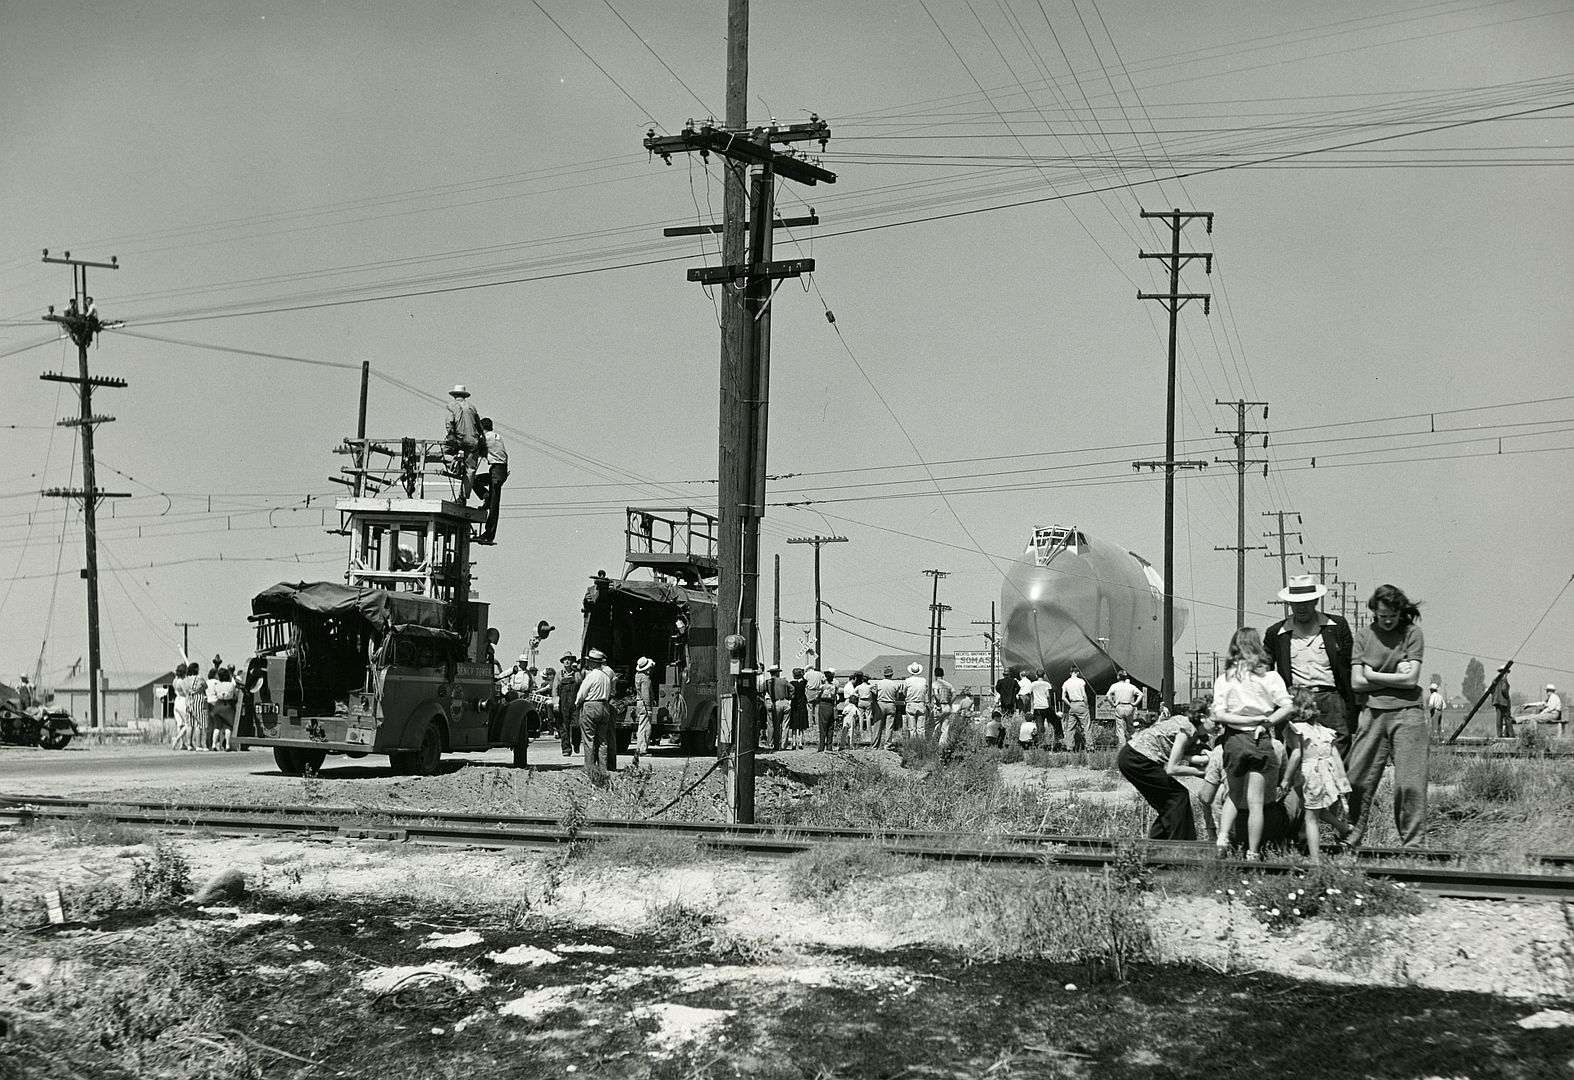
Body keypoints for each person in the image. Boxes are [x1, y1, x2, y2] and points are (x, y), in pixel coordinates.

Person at [1345, 584, 1428, 849]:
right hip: (1372, 714)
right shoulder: (1363, 636)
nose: (1388, 620)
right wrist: (1396, 678)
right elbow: (1356, 683)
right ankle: (1351, 836)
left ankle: (1412, 845)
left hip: (1409, 714)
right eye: (1383, 616)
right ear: (1374, 612)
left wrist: (1372, 674)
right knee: (1356, 778)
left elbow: (1412, 679)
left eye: (1392, 615)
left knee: (1410, 783)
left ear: (1400, 611)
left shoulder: (1413, 634)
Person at [1211, 627, 1294, 861]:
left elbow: (1219, 715)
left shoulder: (1224, 679)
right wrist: (1263, 721)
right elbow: (1288, 706)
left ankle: (1222, 840)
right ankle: (1253, 852)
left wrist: (1243, 720)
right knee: (1256, 802)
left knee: (1234, 796)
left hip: (1234, 739)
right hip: (1260, 739)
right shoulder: (1270, 677)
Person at [1263, 575, 1358, 761]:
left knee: (1336, 752)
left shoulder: (1337, 627)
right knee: (1296, 755)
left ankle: (1335, 789)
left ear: (1316, 600)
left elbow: (1350, 667)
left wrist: (1353, 705)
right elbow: (1264, 670)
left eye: (1306, 602)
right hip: (1295, 700)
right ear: (1289, 604)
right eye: (1296, 603)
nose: (1301, 607)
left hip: (1331, 699)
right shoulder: (1276, 633)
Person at [1118, 696, 1214, 840]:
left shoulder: (1188, 726)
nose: (1219, 725)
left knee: (1169, 804)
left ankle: (1156, 846)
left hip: (1133, 757)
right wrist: (1204, 772)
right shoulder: (1187, 730)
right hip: (1137, 759)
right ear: (1202, 717)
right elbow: (1172, 769)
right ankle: (1180, 847)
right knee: (1177, 797)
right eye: (1215, 721)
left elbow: (1184, 756)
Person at [1282, 687, 1356, 863]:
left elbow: (1297, 754)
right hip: (1326, 773)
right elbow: (1334, 753)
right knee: (1315, 808)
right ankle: (1343, 827)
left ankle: (1315, 860)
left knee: (1310, 819)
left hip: (1310, 774)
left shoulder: (1294, 728)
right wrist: (1342, 779)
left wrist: (1286, 778)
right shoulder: (1321, 729)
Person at [575, 648, 616, 774]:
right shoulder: (606, 677)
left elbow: (582, 693)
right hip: (604, 706)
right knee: (602, 740)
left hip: (591, 706)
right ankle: (603, 768)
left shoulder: (591, 676)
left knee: (589, 739)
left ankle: (589, 768)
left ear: (592, 663)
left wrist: (577, 704)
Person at [472, 417, 508, 544]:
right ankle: (485, 495)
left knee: (493, 506)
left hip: (496, 471)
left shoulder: (486, 437)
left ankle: (488, 535)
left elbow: (474, 447)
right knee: (475, 480)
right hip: (499, 470)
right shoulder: (496, 436)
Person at [444, 384, 482, 500]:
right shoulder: (472, 407)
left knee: (444, 453)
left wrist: (451, 435)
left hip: (459, 439)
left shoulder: (451, 405)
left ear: (454, 395)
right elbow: (479, 426)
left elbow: (449, 423)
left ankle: (455, 467)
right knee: (470, 469)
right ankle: (464, 496)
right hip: (473, 440)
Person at [1105, 670, 1143, 747]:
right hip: (1129, 706)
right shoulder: (1131, 686)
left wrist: (1113, 704)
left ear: (1118, 677)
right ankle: (1136, 744)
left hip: (1119, 706)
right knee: (1131, 727)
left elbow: (1107, 696)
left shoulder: (1114, 686)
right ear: (1126, 678)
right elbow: (1141, 694)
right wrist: (1135, 703)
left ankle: (1122, 747)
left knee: (1120, 729)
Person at [1060, 664, 1093, 752]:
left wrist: (1070, 705)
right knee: (1086, 726)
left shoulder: (1066, 683)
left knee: (1070, 728)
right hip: (1081, 703)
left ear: (1070, 672)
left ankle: (1069, 747)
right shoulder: (1081, 681)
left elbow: (1063, 697)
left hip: (1072, 704)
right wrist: (1086, 705)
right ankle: (1089, 746)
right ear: (1077, 672)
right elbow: (1084, 694)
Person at [556, 653, 582, 757]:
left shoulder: (577, 674)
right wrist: (555, 703)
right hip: (563, 704)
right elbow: (555, 689)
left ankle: (576, 743)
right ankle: (566, 748)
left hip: (575, 703)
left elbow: (582, 688)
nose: (567, 661)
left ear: (572, 661)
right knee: (563, 727)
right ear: (562, 662)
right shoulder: (559, 675)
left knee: (576, 725)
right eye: (565, 659)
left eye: (569, 659)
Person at [209, 667, 239, 752]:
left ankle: (214, 744)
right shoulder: (231, 685)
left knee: (217, 727)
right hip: (228, 706)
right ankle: (227, 745)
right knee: (228, 727)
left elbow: (215, 693)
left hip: (218, 705)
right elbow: (235, 695)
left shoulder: (217, 685)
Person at [632, 656, 655, 767]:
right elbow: (646, 695)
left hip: (639, 703)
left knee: (641, 726)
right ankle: (642, 749)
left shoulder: (637, 676)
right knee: (645, 727)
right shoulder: (645, 679)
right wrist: (649, 708)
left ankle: (639, 748)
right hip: (644, 704)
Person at [872, 666, 901, 751]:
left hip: (880, 704)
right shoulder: (895, 684)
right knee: (889, 726)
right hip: (891, 704)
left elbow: (875, 694)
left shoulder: (879, 683)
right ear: (892, 674)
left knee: (878, 726)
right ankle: (887, 745)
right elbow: (897, 697)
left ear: (884, 674)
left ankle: (875, 745)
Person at [1029, 670, 1058, 749]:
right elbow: (1048, 695)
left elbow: (1031, 696)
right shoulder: (1047, 684)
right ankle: (1058, 739)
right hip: (1045, 706)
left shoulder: (1033, 684)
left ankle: (1041, 743)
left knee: (1040, 726)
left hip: (1037, 707)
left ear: (1036, 676)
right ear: (1044, 676)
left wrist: (1032, 707)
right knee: (1056, 722)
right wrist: (1050, 705)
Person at [765, 664, 790, 752]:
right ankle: (784, 745)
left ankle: (776, 745)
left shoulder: (768, 682)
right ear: (778, 673)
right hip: (786, 702)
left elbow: (764, 692)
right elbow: (792, 688)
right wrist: (789, 697)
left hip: (776, 703)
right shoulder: (784, 681)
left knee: (776, 725)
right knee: (785, 725)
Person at [902, 662, 928, 742]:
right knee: (921, 728)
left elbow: (904, 692)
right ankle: (921, 744)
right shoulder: (923, 680)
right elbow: (926, 691)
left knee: (912, 728)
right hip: (921, 704)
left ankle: (912, 744)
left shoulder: (908, 681)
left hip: (911, 703)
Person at [171, 663, 194, 751]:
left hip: (177, 701)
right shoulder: (182, 682)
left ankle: (182, 743)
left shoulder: (175, 681)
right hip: (183, 701)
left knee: (179, 724)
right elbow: (186, 693)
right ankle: (177, 739)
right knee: (188, 723)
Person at [815, 667, 838, 752]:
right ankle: (829, 746)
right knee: (830, 726)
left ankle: (821, 746)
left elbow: (817, 696)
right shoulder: (834, 687)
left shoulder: (822, 687)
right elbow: (834, 696)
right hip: (831, 705)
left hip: (823, 705)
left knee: (822, 726)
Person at [787, 667, 810, 751]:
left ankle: (793, 742)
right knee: (801, 724)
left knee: (794, 725)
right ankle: (800, 742)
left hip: (794, 704)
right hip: (802, 704)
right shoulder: (804, 682)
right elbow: (805, 680)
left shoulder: (791, 683)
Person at [1490, 667, 1513, 739]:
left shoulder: (1494, 680)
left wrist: (1495, 696)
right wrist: (1507, 697)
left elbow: (1491, 690)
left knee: (1499, 718)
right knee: (1507, 718)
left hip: (1496, 701)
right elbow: (1504, 689)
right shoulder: (1504, 679)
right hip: (1504, 702)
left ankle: (1499, 734)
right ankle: (1511, 734)